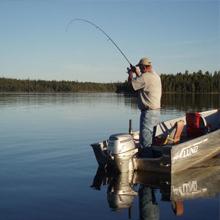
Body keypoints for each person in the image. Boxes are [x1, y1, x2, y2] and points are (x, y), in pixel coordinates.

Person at [128, 57, 162, 157]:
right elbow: (144, 82)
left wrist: (131, 73)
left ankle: (147, 161)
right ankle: (152, 159)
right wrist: (137, 72)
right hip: (156, 112)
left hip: (148, 114)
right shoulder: (155, 76)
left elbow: (131, 84)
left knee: (145, 142)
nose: (140, 70)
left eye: (141, 68)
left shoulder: (145, 77)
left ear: (144, 67)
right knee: (151, 140)